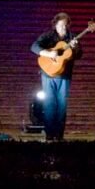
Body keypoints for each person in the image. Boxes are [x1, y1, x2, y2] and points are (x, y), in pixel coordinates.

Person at [30, 12, 83, 141]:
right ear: (55, 25)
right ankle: (49, 134)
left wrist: (75, 48)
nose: (62, 28)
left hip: (64, 75)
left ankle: (59, 135)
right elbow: (34, 46)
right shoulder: (49, 36)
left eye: (65, 26)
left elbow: (79, 54)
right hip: (48, 74)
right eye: (60, 25)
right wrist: (48, 54)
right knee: (49, 104)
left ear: (68, 25)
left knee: (62, 105)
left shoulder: (72, 37)